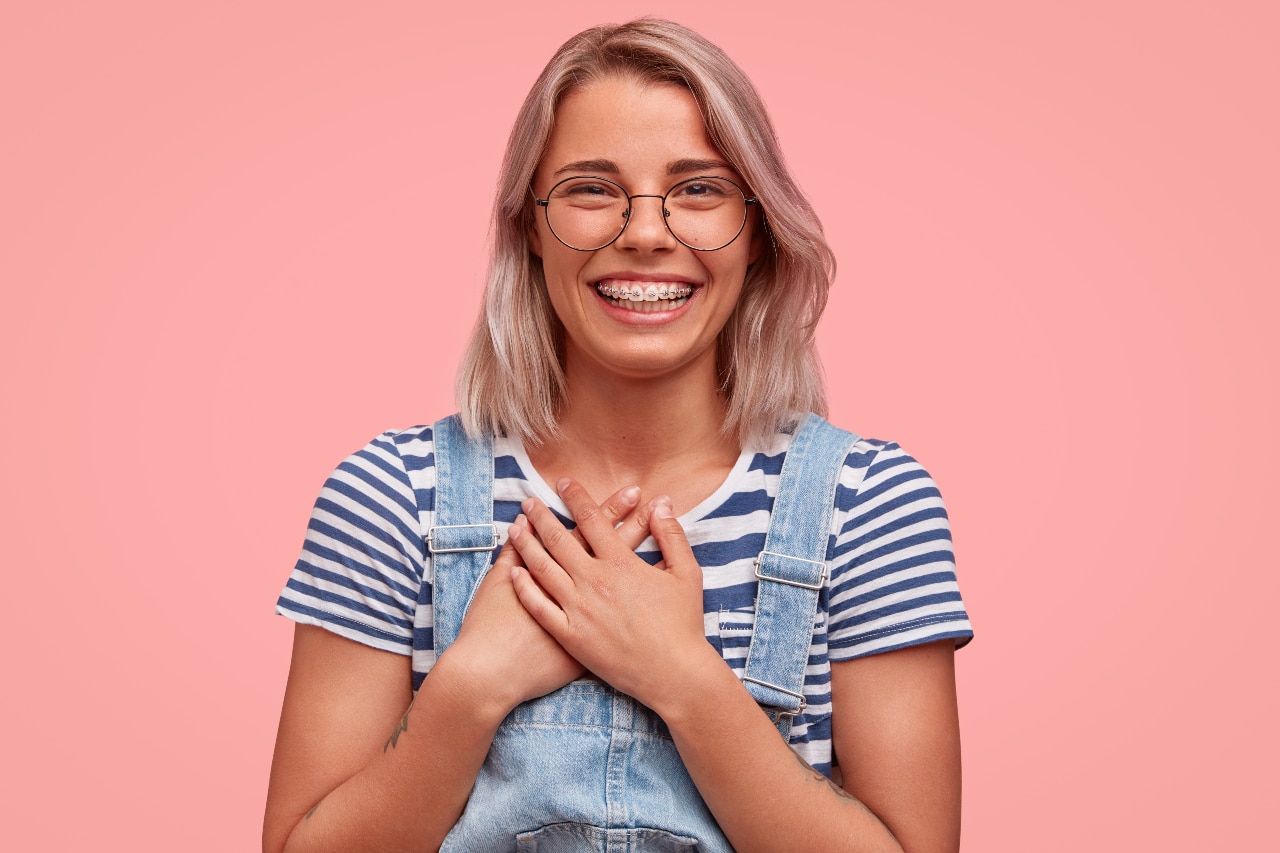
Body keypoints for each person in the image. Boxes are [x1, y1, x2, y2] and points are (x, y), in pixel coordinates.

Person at [264, 18, 972, 853]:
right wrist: (468, 691)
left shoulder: (870, 504)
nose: (645, 232)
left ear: (759, 230)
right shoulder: (391, 496)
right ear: (530, 225)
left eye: (700, 189)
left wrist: (684, 679)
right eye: (592, 188)